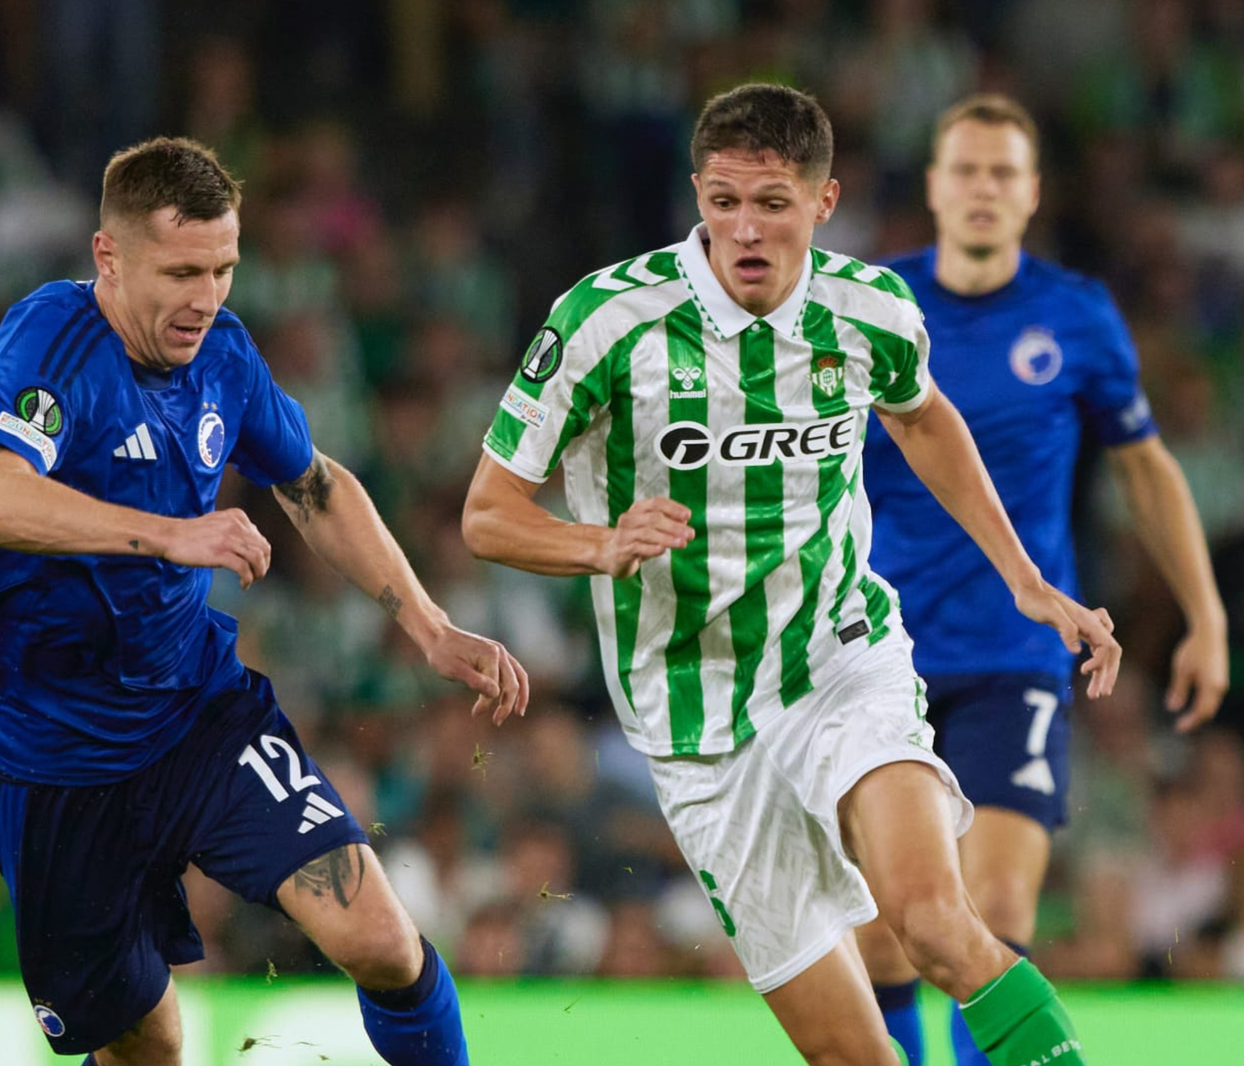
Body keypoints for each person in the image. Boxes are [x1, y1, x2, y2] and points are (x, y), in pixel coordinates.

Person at [462, 82, 1117, 1066]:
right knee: (850, 1056)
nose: (744, 229)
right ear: (696, 196)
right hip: (693, 721)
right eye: (722, 201)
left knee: (936, 922)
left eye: (771, 202)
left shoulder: (869, 311)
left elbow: (922, 412)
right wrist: (596, 543)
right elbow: (487, 513)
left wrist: (1022, 576)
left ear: (823, 201)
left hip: (837, 658)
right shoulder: (607, 320)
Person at [0, 136, 528, 1066]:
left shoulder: (226, 359)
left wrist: (429, 625)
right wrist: (170, 533)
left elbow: (316, 486)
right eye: (179, 271)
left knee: (380, 939)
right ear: (109, 257)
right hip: (49, 754)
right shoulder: (54, 339)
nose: (205, 298)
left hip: (192, 714)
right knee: (151, 1044)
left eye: (222, 269)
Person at [858, 93, 1229, 1066]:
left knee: (996, 906)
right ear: (934, 188)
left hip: (1012, 653)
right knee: (884, 931)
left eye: (1002, 173)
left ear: (1030, 194)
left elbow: (1144, 465)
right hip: (871, 658)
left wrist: (1205, 613)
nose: (982, 189)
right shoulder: (868, 308)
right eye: (965, 170)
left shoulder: (1075, 315)